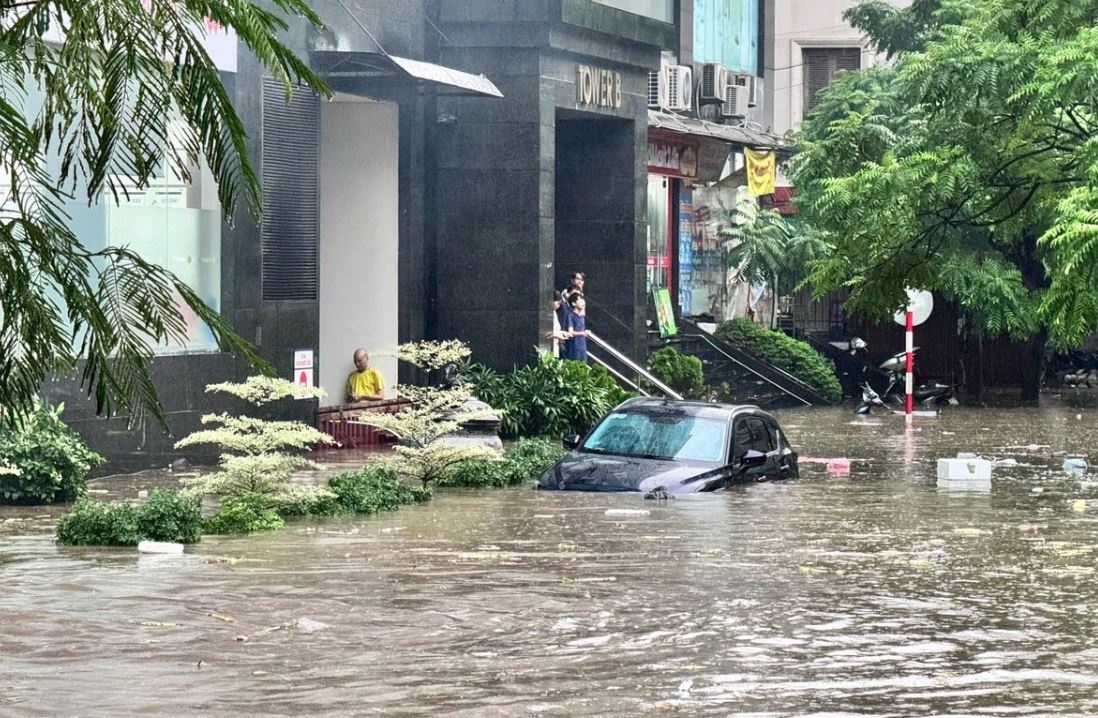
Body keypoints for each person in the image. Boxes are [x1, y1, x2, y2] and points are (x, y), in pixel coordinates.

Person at [563, 293, 589, 361]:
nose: (583, 302)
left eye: (583, 300)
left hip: (582, 346)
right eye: (580, 300)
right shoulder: (570, 315)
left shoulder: (582, 316)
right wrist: (582, 333)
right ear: (573, 303)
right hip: (574, 346)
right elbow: (570, 332)